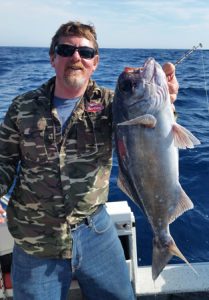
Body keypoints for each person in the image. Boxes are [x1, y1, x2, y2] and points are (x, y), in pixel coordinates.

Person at [0, 21, 179, 300]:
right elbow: (4, 161)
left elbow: (150, 144)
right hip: (35, 240)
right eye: (66, 49)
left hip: (96, 232)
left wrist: (169, 105)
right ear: (52, 58)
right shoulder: (22, 106)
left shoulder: (114, 103)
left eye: (85, 52)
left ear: (95, 62)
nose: (76, 57)